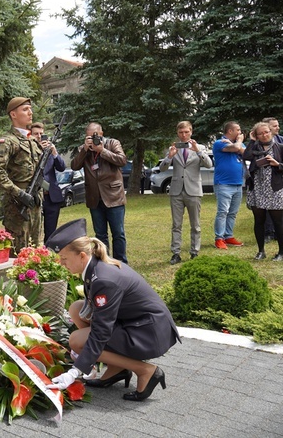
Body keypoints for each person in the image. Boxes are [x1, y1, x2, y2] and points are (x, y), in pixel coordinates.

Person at [45, 219, 180, 401]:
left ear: (82, 256)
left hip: (149, 333)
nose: (61, 263)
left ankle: (146, 371)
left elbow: (101, 332)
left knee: (77, 341)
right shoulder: (95, 267)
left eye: (64, 258)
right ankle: (118, 368)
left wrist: (75, 371)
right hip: (138, 323)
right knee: (76, 308)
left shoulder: (103, 279)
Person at [0, 97, 44, 252]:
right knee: (19, 252)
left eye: (30, 109)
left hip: (35, 203)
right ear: (13, 114)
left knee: (38, 248)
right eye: (25, 109)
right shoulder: (7, 142)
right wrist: (18, 193)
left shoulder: (32, 140)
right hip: (17, 205)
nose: (30, 113)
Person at [71, 122, 129, 263]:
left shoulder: (112, 143)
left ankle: (121, 263)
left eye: (95, 136)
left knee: (118, 233)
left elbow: (122, 160)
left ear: (101, 134)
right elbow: (74, 165)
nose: (92, 139)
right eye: (89, 137)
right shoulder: (84, 150)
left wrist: (102, 151)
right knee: (100, 234)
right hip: (94, 197)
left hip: (113, 196)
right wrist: (85, 149)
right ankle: (104, 262)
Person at [159, 121, 213, 264]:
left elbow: (209, 164)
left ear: (191, 132)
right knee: (176, 225)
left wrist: (198, 151)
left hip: (193, 190)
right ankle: (176, 253)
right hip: (176, 190)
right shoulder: (173, 148)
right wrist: (169, 156)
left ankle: (194, 252)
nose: (184, 135)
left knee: (195, 224)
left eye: (186, 132)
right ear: (177, 133)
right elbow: (163, 168)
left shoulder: (199, 147)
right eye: (181, 132)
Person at [242, 122, 283, 261]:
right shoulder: (254, 148)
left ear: (271, 132)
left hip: (275, 189)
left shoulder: (280, 147)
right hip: (257, 188)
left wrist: (277, 165)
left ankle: (281, 252)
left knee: (278, 222)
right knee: (259, 220)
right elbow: (245, 157)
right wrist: (252, 141)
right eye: (260, 133)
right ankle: (261, 251)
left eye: (266, 132)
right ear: (256, 135)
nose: (264, 135)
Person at [29, 122, 66, 242]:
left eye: (41, 134)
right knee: (34, 232)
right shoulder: (28, 151)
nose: (39, 136)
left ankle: (48, 254)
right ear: (30, 135)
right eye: (36, 134)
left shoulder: (50, 151)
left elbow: (62, 167)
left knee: (51, 233)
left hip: (51, 197)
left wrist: (54, 152)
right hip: (35, 197)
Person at [211, 121, 246, 249]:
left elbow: (245, 152)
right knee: (223, 212)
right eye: (238, 130)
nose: (240, 132)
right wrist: (238, 141)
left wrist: (237, 143)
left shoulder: (237, 143)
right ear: (230, 131)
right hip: (223, 184)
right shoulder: (219, 143)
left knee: (232, 213)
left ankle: (229, 236)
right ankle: (219, 238)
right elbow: (237, 148)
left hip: (237, 183)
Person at [262, 117, 283, 242]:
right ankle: (268, 232)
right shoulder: (259, 143)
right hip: (264, 180)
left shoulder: (281, 141)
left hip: (279, 177)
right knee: (267, 208)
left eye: (277, 125)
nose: (278, 128)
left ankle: (277, 232)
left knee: (278, 208)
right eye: (275, 126)